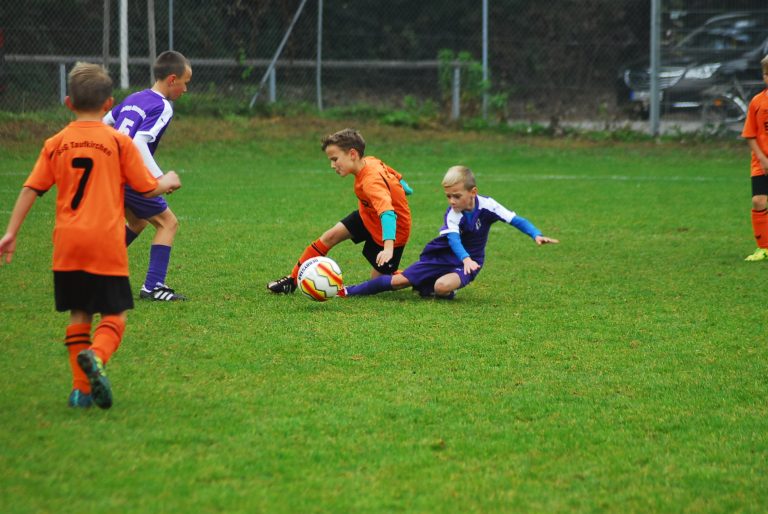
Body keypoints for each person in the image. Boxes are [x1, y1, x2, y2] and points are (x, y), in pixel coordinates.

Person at [0, 62, 181, 409]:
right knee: (114, 316)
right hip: (104, 241)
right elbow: (145, 187)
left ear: (68, 102)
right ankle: (97, 357)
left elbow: (31, 188)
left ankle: (80, 391)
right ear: (109, 103)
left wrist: (10, 232)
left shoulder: (56, 142)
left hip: (66, 243)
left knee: (79, 315)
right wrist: (168, 180)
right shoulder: (117, 143)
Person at [339, 165, 558, 299]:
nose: (451, 201)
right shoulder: (452, 215)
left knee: (442, 287)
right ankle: (351, 291)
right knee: (398, 282)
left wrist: (535, 234)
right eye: (448, 196)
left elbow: (515, 219)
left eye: (456, 196)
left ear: (473, 192)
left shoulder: (489, 206)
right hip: (441, 255)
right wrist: (464, 258)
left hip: (471, 262)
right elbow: (453, 240)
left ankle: (430, 287)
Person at [267, 128, 413, 293]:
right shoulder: (371, 161)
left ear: (352, 154)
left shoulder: (371, 182)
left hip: (393, 230)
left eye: (335, 159)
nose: (332, 165)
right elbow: (393, 174)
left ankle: (420, 277)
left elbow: (388, 213)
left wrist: (388, 248)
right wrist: (405, 188)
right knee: (330, 236)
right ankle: (292, 280)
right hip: (368, 215)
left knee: (378, 282)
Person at [103, 50, 192, 299]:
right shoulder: (163, 106)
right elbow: (139, 143)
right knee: (168, 223)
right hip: (129, 175)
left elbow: (104, 121)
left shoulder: (134, 98)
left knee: (137, 221)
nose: (185, 89)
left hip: (111, 172)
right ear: (172, 79)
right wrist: (159, 177)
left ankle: (96, 270)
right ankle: (153, 287)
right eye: (185, 83)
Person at [742, 55, 768, 261]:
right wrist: (762, 158)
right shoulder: (757, 102)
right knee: (758, 200)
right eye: (767, 74)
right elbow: (749, 134)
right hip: (762, 162)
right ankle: (763, 248)